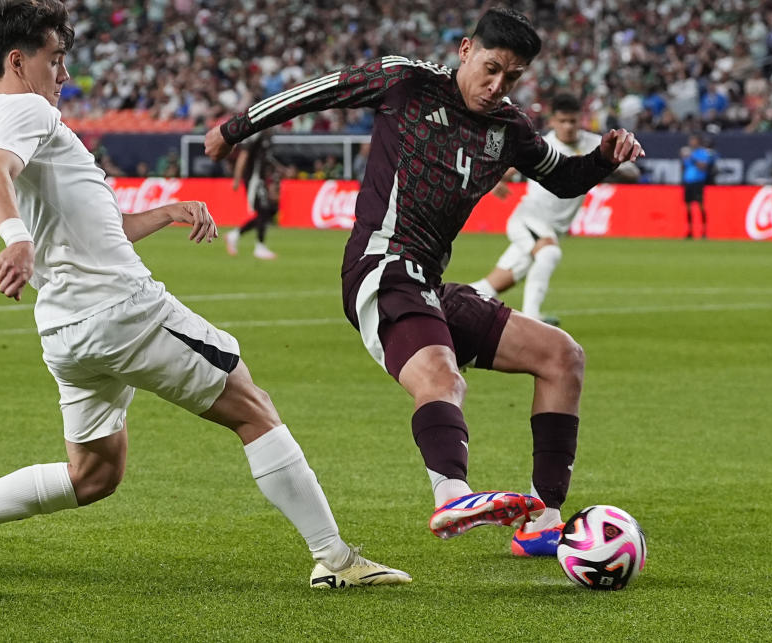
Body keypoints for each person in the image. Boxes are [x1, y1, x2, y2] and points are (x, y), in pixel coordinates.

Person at [0, 0, 410, 591]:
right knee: (253, 406)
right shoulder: (24, 110)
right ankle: (336, 560)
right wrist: (14, 239)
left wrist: (164, 212)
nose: (65, 75)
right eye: (56, 60)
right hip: (121, 312)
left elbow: (91, 224)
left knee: (94, 476)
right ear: (17, 61)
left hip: (66, 332)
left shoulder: (3, 123)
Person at [207, 7, 644, 557]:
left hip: (428, 282)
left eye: (512, 77)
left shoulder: (509, 128)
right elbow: (323, 91)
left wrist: (604, 156)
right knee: (441, 376)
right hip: (380, 265)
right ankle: (453, 494)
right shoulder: (407, 82)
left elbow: (565, 179)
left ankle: (544, 523)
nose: (496, 85)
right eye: (490, 68)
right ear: (465, 50)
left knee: (563, 357)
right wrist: (234, 129)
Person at [470, 93, 641, 325]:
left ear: (581, 119)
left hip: (553, 228)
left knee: (496, 283)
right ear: (552, 121)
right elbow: (506, 168)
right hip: (528, 219)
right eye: (563, 121)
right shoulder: (542, 145)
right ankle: (532, 321)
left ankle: (449, 303)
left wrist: (616, 161)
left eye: (573, 121)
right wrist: (496, 181)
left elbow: (634, 173)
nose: (568, 127)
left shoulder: (595, 144)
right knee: (549, 253)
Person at [225, 128, 280, 259]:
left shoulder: (268, 135)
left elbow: (266, 160)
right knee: (264, 211)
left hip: (261, 179)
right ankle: (259, 247)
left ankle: (234, 235)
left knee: (268, 211)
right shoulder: (256, 134)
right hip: (253, 179)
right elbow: (243, 155)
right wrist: (237, 178)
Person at [680, 134, 717, 238]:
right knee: (688, 208)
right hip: (688, 183)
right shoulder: (689, 153)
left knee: (701, 206)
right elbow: (685, 167)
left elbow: (703, 166)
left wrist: (692, 158)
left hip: (698, 182)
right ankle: (690, 230)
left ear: (698, 141)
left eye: (693, 140)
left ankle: (704, 230)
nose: (691, 142)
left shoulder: (702, 153)